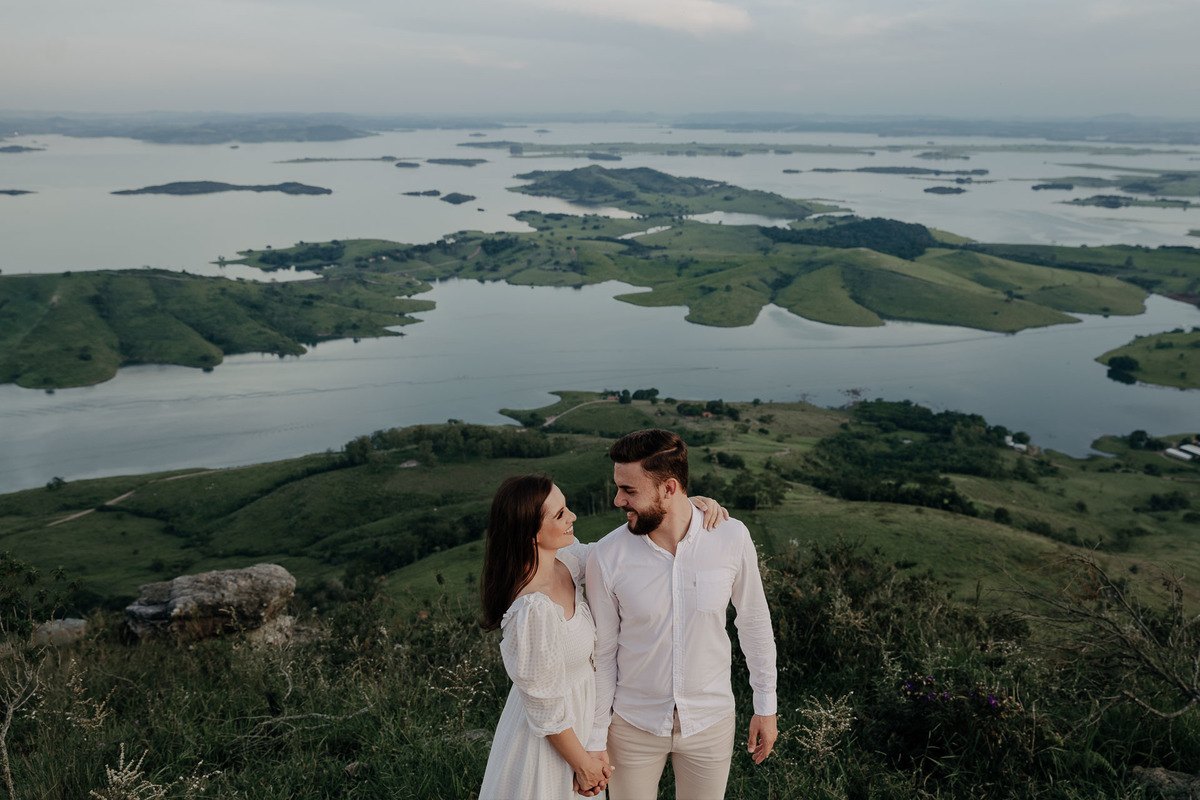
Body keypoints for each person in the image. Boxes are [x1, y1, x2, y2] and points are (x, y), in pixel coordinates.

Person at [478, 474, 728, 800]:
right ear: (530, 535)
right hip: (549, 746)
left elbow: (615, 552)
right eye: (559, 515)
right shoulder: (533, 610)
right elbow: (544, 707)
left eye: (566, 508)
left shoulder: (565, 563)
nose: (572, 517)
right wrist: (582, 763)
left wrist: (676, 510)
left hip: (580, 729)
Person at [584, 430, 778, 800]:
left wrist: (765, 707)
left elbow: (753, 623)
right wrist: (595, 738)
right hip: (631, 726)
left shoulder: (731, 537)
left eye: (629, 490)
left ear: (669, 488)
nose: (617, 499)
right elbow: (603, 655)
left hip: (710, 722)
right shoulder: (607, 556)